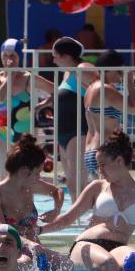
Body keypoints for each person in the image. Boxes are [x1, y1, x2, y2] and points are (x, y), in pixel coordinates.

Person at [39, 131, 135, 271]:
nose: (99, 171)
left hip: (118, 248)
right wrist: (40, 229)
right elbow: (68, 218)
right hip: (86, 245)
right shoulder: (98, 187)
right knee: (108, 264)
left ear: (119, 161)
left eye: (103, 165)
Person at [0, 135, 66, 271]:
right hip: (8, 252)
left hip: (35, 249)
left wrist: (56, 211)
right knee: (26, 263)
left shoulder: (30, 185)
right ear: (24, 172)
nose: (39, 177)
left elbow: (57, 192)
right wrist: (29, 244)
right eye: (37, 173)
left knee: (66, 264)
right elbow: (2, 230)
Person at [0, 38, 54, 179]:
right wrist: (10, 77)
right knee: (4, 178)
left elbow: (56, 90)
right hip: (2, 135)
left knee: (25, 179)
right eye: (5, 56)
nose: (8, 60)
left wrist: (43, 105)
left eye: (12, 56)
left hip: (25, 137)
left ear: (19, 57)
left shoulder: (28, 78)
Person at [83, 49, 135, 180]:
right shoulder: (105, 89)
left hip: (91, 151)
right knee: (113, 198)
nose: (121, 74)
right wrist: (129, 82)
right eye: (121, 70)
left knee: (100, 198)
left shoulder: (90, 88)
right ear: (112, 68)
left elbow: (91, 129)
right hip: (105, 152)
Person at [52, 37, 95, 200]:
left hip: (79, 131)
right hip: (63, 133)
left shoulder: (83, 69)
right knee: (71, 183)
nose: (53, 59)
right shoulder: (67, 73)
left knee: (79, 182)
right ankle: (80, 219)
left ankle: (90, 218)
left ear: (66, 55)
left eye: (55, 55)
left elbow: (101, 89)